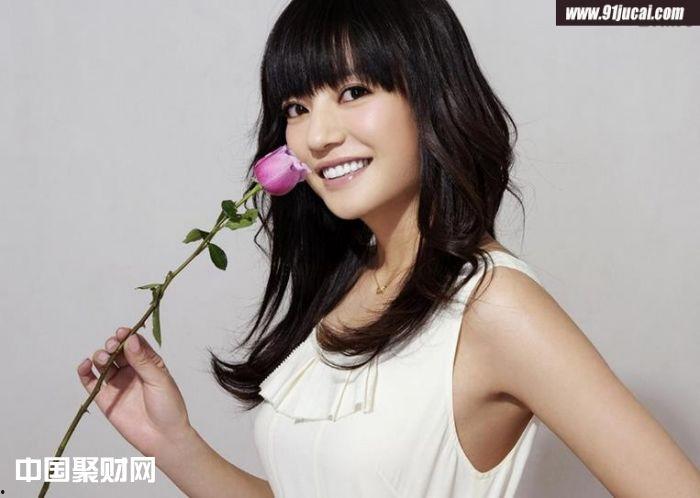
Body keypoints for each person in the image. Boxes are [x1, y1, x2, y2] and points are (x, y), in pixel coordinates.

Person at [77, 0, 700, 496]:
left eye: (353, 92)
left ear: (431, 95)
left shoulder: (494, 305)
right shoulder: (349, 286)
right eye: (297, 106)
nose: (317, 136)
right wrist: (172, 444)